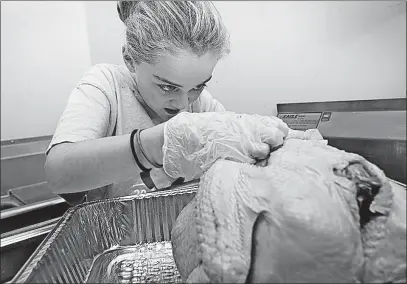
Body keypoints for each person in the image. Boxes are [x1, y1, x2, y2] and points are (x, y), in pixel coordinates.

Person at [45, 1, 289, 206]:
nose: (183, 103)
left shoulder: (202, 104)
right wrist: (159, 143)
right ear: (130, 60)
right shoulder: (106, 86)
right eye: (167, 87)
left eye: (198, 85)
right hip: (118, 247)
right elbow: (59, 173)